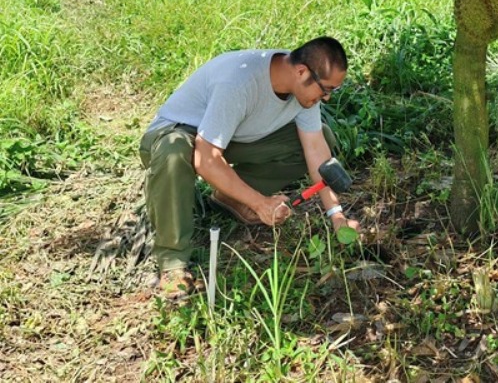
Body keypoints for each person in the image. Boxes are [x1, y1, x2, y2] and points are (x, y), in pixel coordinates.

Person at [138, 37, 359, 298]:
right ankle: (172, 264)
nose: (327, 97)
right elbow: (206, 160)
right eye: (326, 89)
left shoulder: (302, 90)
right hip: (178, 133)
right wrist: (260, 203)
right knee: (174, 152)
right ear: (302, 72)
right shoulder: (239, 82)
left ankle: (229, 196)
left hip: (229, 136)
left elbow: (316, 152)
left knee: (322, 137)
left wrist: (337, 216)